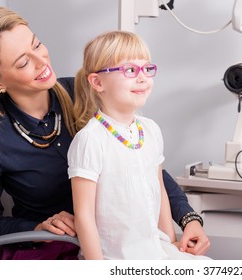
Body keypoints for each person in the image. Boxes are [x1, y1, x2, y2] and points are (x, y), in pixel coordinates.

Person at [0, 6, 209, 259]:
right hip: (51, 247)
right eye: (24, 62)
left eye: (36, 45)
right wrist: (36, 227)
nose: (42, 62)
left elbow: (143, 162)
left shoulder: (85, 93)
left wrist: (187, 217)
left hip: (120, 242)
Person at [68, 30, 210, 260]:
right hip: (116, 257)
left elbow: (160, 190)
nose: (143, 77)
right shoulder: (90, 140)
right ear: (97, 82)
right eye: (130, 70)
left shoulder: (150, 129)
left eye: (147, 68)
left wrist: (171, 241)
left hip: (156, 248)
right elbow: (84, 216)